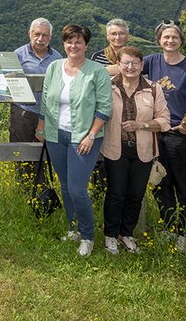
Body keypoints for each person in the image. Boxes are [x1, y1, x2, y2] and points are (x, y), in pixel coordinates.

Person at [35, 25, 112, 257]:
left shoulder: (97, 71)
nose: (73, 46)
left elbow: (105, 107)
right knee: (66, 185)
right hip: (55, 134)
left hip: (85, 136)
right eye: (69, 41)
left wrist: (91, 135)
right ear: (63, 43)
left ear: (86, 45)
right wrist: (41, 126)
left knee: (78, 189)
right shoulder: (54, 67)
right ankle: (73, 228)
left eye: (78, 41)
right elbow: (46, 100)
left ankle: (88, 236)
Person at [143, 20, 186, 252]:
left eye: (174, 37)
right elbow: (125, 68)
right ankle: (169, 228)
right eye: (166, 37)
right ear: (159, 40)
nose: (170, 41)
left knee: (184, 187)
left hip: (180, 138)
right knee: (161, 183)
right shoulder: (151, 62)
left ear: (181, 40)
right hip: (155, 134)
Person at [100, 46, 170, 254]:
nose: (130, 67)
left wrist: (142, 125)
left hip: (143, 150)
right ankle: (110, 235)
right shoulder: (108, 87)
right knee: (116, 193)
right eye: (126, 63)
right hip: (115, 148)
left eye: (135, 63)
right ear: (118, 65)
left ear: (142, 65)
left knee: (136, 194)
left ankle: (127, 233)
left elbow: (164, 120)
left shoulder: (153, 88)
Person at [11, 18, 62, 186]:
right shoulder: (18, 55)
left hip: (49, 114)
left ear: (50, 37)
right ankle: (23, 188)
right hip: (23, 111)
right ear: (30, 34)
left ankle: (43, 189)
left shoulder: (57, 58)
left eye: (45, 35)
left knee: (45, 153)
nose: (40, 39)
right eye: (37, 34)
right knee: (21, 151)